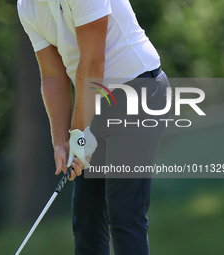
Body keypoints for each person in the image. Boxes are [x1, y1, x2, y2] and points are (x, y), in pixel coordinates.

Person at [17, 0, 170, 254]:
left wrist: (78, 135)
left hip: (138, 91)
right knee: (87, 217)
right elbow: (53, 75)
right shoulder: (27, 6)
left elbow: (92, 62)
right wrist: (62, 141)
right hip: (93, 101)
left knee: (124, 213)